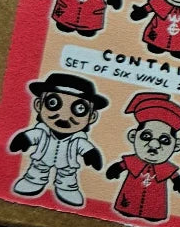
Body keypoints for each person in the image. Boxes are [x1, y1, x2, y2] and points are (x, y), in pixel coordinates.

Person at [8, 72, 108, 207]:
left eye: (80, 109)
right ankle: (33, 180)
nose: (64, 117)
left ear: (92, 117)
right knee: (38, 168)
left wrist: (91, 154)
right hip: (42, 159)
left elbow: (84, 147)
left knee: (68, 174)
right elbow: (33, 135)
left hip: (67, 165)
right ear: (38, 105)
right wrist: (24, 139)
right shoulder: (42, 132)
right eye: (53, 103)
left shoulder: (77, 140)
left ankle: (67, 188)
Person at [106, 93, 180, 222]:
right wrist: (115, 170)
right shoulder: (133, 161)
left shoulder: (165, 167)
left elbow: (174, 176)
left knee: (154, 205)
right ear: (133, 136)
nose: (154, 144)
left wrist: (178, 182)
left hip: (156, 198)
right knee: (128, 203)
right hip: (129, 197)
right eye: (146, 137)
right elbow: (122, 166)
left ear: (176, 145)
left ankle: (154, 214)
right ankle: (127, 210)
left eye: (164, 140)